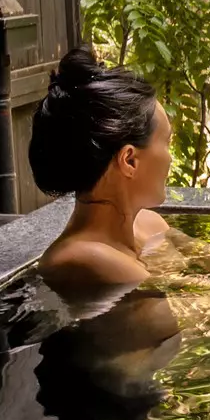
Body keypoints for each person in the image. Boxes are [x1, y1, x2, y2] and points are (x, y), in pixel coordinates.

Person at [29, 46, 176, 294]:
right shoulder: (84, 258)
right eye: (167, 143)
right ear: (129, 160)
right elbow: (192, 310)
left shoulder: (150, 226)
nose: (170, 158)